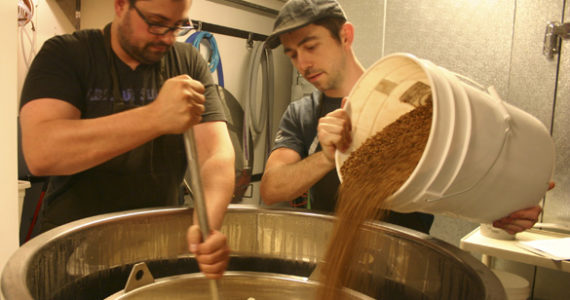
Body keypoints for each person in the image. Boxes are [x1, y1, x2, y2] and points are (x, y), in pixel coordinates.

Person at [260, 0, 544, 235]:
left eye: (310, 47)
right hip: (329, 257)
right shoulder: (302, 114)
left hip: (406, 263)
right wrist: (325, 157)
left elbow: (467, 172)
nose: (303, 64)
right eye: (293, 55)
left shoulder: (417, 106)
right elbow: (272, 189)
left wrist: (506, 206)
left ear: (346, 36)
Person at [19, 0, 231, 278]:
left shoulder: (188, 62)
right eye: (155, 24)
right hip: (72, 256)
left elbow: (216, 154)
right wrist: (154, 117)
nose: (167, 37)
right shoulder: (67, 54)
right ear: (121, 5)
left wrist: (206, 225)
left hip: (156, 253)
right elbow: (41, 152)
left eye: (177, 25)